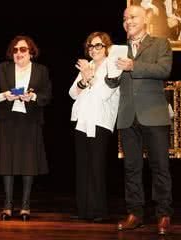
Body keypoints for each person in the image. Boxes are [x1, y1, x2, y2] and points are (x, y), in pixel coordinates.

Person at [105, 5, 173, 235]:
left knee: (160, 167)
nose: (128, 22)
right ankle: (135, 213)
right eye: (125, 18)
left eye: (133, 17)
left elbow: (164, 69)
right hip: (127, 115)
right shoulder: (119, 50)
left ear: (145, 20)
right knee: (131, 168)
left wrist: (134, 65)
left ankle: (163, 214)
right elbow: (113, 83)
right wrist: (110, 73)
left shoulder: (160, 44)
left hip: (153, 114)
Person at [0, 35, 51, 221]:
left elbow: (46, 96)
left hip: (30, 121)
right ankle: (7, 205)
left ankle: (25, 206)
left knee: (28, 164)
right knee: (7, 163)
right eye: (15, 50)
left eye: (23, 49)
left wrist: (32, 97)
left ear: (31, 52)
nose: (18, 53)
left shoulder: (41, 70)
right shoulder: (2, 69)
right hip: (8, 120)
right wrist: (4, 95)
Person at [69, 32, 120, 223]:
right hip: (82, 121)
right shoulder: (88, 66)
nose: (93, 49)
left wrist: (90, 78)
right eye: (90, 46)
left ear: (106, 47)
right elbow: (73, 93)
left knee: (96, 166)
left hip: (100, 121)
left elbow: (104, 94)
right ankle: (84, 210)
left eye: (98, 45)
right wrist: (84, 79)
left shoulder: (112, 66)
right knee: (82, 166)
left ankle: (100, 210)